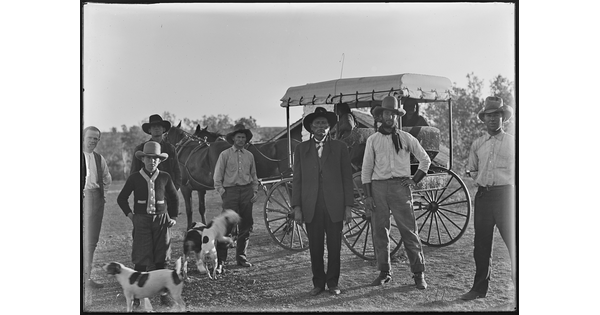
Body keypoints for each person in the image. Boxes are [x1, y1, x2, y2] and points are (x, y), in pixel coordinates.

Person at [361, 96, 431, 290]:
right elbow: (366, 170)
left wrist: (414, 179)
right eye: (386, 113)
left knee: (409, 231)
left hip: (401, 188)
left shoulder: (407, 138)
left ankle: (419, 274)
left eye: (393, 113)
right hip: (378, 188)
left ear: (397, 116)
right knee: (380, 231)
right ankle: (384, 272)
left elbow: (425, 160)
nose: (389, 117)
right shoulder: (373, 140)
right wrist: (368, 196)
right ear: (381, 115)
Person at [292, 107, 354, 296]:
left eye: (324, 124)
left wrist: (348, 207)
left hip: (334, 205)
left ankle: (333, 283)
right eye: (317, 124)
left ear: (329, 127)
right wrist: (297, 207)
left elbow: (346, 178)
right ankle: (318, 283)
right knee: (315, 247)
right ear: (311, 127)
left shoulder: (339, 147)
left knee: (334, 247)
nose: (321, 127)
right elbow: (297, 180)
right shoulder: (301, 149)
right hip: (311, 206)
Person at [460, 96, 515, 301]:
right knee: (481, 245)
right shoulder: (478, 144)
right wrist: (483, 181)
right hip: (483, 196)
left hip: (506, 197)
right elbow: (473, 170)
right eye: (489, 116)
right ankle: (478, 289)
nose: (493, 119)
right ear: (484, 119)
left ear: (503, 117)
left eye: (497, 115)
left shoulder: (512, 142)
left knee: (513, 242)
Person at [117, 141, 179, 307]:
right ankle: (137, 295)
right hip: (142, 220)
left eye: (155, 159)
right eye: (148, 158)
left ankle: (164, 294)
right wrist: (131, 215)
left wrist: (173, 216)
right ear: (142, 159)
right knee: (141, 259)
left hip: (161, 220)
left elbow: (174, 198)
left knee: (162, 258)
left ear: (160, 161)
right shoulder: (135, 177)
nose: (152, 161)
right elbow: (121, 198)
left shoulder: (165, 177)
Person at [213, 124, 259, 273]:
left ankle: (241, 257)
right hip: (230, 192)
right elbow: (217, 176)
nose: (241, 140)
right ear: (233, 138)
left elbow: (253, 176)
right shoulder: (225, 154)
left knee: (246, 226)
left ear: (246, 140)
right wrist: (222, 192)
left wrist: (254, 191)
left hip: (246, 191)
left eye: (243, 137)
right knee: (226, 227)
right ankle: (221, 261)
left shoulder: (249, 155)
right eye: (238, 137)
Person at [82, 126, 112, 289]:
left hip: (96, 199)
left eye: (96, 139)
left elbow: (107, 178)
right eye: (90, 137)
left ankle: (86, 279)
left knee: (91, 241)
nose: (93, 141)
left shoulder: (99, 158)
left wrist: (103, 195)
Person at [130, 114, 182, 192]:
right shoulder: (140, 149)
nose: (156, 128)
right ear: (149, 130)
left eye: (159, 126)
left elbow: (177, 172)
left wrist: (174, 190)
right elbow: (134, 173)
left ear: (164, 129)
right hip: (147, 192)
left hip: (168, 193)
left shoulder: (171, 149)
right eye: (153, 126)